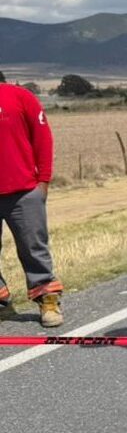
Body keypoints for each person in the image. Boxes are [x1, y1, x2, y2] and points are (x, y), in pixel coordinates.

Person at [0, 73, 64, 326]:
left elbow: (43, 138)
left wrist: (43, 181)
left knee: (33, 248)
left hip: (23, 191)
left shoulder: (20, 97)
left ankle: (47, 300)